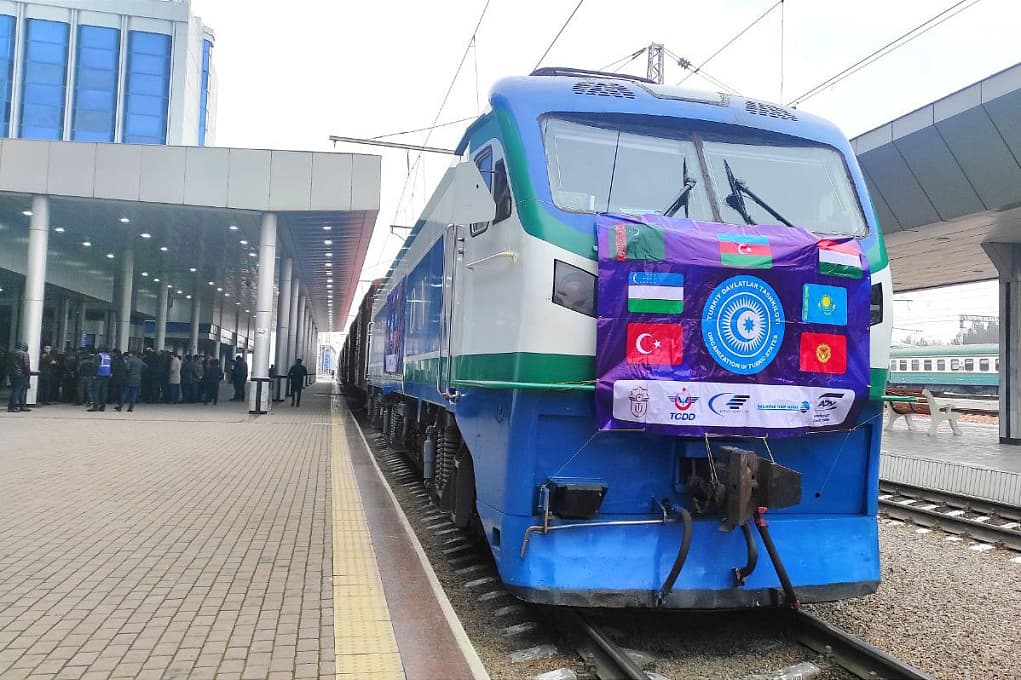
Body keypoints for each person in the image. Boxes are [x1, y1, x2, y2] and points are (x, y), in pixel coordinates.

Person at [6, 342, 30, 413]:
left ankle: (21, 406)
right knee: (19, 391)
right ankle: (12, 406)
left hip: (12, 374)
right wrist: (28, 374)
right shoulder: (24, 354)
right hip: (21, 374)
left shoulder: (11, 353)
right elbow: (26, 365)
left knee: (17, 390)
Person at [89, 347, 112, 412]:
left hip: (99, 375)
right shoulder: (108, 356)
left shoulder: (98, 356)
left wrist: (94, 374)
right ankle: (102, 407)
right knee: (103, 391)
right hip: (106, 375)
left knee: (95, 391)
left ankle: (95, 406)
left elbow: (96, 365)